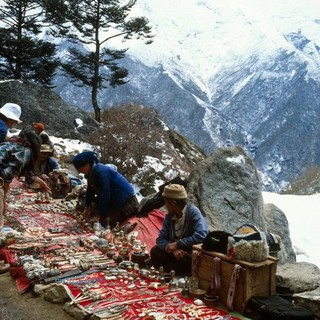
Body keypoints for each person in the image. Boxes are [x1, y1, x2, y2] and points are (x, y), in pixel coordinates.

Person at [0, 128, 51, 236]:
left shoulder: (10, 144)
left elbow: (26, 173)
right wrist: (3, 199)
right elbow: (7, 175)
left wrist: (40, 181)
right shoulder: (24, 150)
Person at [150, 184, 208, 276]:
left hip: (187, 253)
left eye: (166, 203)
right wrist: (172, 250)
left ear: (173, 204)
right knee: (154, 251)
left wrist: (178, 244)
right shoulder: (169, 216)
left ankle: (165, 269)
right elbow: (160, 239)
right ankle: (170, 269)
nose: (165, 206)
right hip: (174, 253)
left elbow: (202, 235)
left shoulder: (193, 212)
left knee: (187, 261)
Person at [71, 151, 138, 228]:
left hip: (124, 202)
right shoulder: (90, 173)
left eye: (81, 169)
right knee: (92, 214)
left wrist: (99, 215)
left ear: (87, 165)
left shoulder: (101, 172)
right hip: (112, 199)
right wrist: (86, 207)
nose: (80, 171)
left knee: (103, 224)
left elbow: (105, 194)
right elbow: (90, 191)